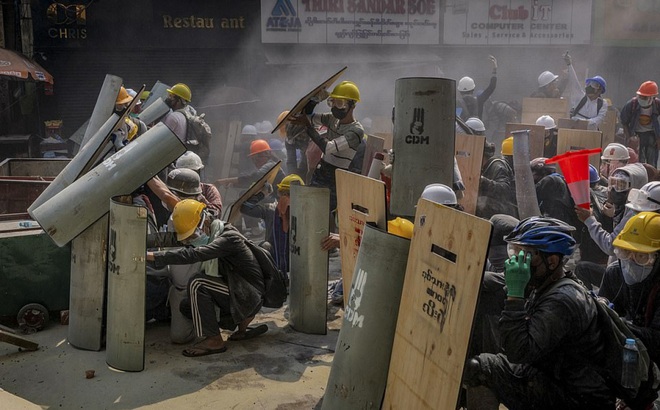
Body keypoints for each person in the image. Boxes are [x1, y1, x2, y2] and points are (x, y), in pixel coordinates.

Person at [462, 216, 615, 409]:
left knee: (481, 368)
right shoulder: (545, 281)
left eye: (525, 254)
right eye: (514, 251)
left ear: (551, 261)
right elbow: (496, 286)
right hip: (553, 376)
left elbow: (519, 351)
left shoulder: (563, 300)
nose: (516, 260)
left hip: (576, 396)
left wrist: (515, 295)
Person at [146, 200, 267, 357]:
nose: (191, 241)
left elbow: (194, 254)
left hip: (248, 295)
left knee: (198, 283)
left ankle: (214, 340)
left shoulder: (228, 238)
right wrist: (139, 241)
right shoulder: (210, 233)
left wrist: (151, 256)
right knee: (187, 307)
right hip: (236, 290)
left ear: (204, 222)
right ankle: (240, 326)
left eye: (193, 235)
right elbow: (171, 239)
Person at [599, 211, 660, 408]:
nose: (631, 262)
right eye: (625, 253)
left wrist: (611, 320)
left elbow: (657, 341)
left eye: (642, 256)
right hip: (631, 357)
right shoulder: (615, 274)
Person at [293, 80, 366, 213]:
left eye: (340, 103)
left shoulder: (356, 131)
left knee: (326, 215)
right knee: (310, 211)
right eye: (333, 102)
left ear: (352, 105)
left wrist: (308, 127)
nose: (335, 108)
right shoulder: (332, 119)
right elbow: (309, 116)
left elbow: (327, 148)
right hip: (321, 171)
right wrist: (315, 100)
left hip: (336, 179)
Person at [240, 174, 304, 274]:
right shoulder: (272, 211)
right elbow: (246, 208)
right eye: (286, 195)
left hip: (295, 258)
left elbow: (246, 208)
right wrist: (262, 194)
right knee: (264, 246)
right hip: (279, 259)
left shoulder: (304, 212)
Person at [215, 139, 286, 195]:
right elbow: (253, 183)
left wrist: (226, 180)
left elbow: (255, 177)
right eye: (253, 159)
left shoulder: (271, 165)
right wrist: (234, 184)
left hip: (278, 197)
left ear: (266, 155)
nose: (255, 162)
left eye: (257, 158)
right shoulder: (269, 166)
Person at [476, 136, 518, 220]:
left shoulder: (497, 166)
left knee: (481, 202)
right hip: (501, 210)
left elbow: (504, 189)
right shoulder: (487, 166)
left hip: (506, 210)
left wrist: (483, 181)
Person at [620, 81, 660, 167]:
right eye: (640, 96)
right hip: (636, 135)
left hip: (651, 135)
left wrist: (658, 138)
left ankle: (650, 179)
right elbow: (624, 121)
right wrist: (629, 137)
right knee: (638, 161)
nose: (641, 99)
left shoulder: (657, 105)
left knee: (651, 163)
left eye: (644, 97)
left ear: (652, 97)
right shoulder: (632, 104)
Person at [175, 151, 223, 215]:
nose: (188, 177)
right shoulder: (173, 191)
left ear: (198, 172)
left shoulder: (209, 189)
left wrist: (198, 197)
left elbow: (216, 213)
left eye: (192, 173)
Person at [456, 55, 497, 121]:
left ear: (460, 91)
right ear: (473, 89)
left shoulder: (457, 103)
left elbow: (456, 119)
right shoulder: (479, 100)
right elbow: (492, 87)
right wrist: (494, 69)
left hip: (461, 131)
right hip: (478, 130)